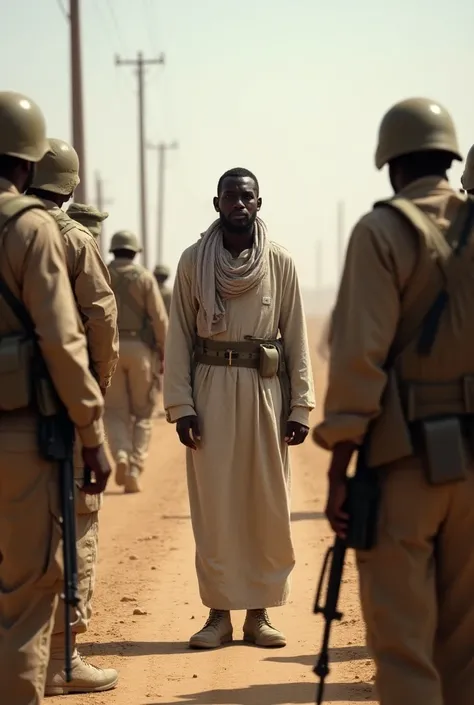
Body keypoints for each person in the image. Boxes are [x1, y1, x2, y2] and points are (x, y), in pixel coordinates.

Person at [312, 98, 474, 705]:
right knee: (465, 651)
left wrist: (337, 470)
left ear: (390, 166)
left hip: (405, 466)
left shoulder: (381, 232)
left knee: (405, 650)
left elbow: (359, 365)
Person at [164, 167, 314, 649]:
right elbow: (179, 338)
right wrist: (182, 404)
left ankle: (259, 614)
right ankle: (217, 615)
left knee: (264, 505)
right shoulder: (193, 262)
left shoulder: (280, 262)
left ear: (259, 203)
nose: (239, 204)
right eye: (231, 197)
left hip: (265, 390)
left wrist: (300, 407)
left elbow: (296, 337)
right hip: (210, 390)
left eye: (246, 197)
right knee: (216, 507)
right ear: (217, 204)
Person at [0, 91, 111, 704]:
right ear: (26, 162)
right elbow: (67, 338)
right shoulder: (33, 229)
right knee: (25, 598)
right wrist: (91, 431)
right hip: (20, 435)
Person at [27, 139, 119, 695]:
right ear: (70, 184)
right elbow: (101, 320)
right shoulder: (72, 237)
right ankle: (64, 658)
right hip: (59, 405)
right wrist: (94, 395)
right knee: (76, 521)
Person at [106, 230, 168, 493]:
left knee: (114, 412)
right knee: (143, 414)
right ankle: (134, 467)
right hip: (141, 351)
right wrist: (164, 352)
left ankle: (120, 453)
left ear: (114, 250)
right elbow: (159, 318)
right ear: (135, 251)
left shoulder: (102, 272)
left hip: (109, 350)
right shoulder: (144, 277)